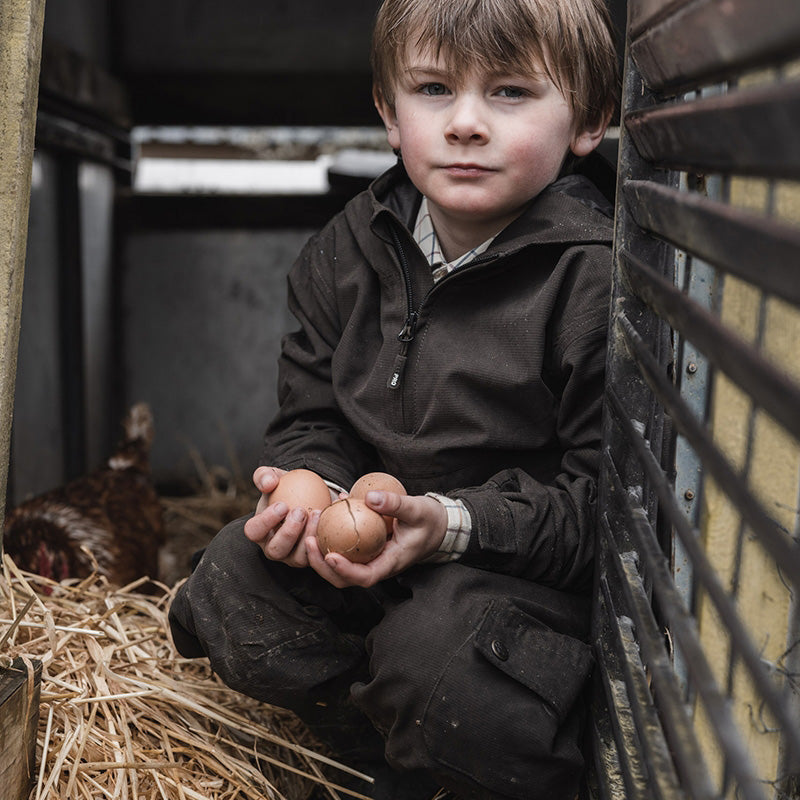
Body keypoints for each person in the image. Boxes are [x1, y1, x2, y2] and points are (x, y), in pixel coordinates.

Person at [169, 0, 619, 797]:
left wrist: (445, 524)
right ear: (388, 110)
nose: (466, 124)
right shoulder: (348, 248)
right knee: (229, 581)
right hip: (376, 556)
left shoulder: (590, 280)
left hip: (507, 574)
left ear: (588, 119)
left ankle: (466, 754)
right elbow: (311, 415)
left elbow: (594, 508)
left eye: (511, 92)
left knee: (442, 668)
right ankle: (365, 754)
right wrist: (311, 483)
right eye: (434, 89)